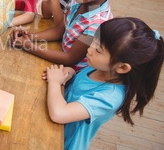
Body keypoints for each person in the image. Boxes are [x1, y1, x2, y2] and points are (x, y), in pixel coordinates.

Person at [42, 17, 164, 150]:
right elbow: (79, 80)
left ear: (122, 67)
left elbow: (59, 114)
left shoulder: (110, 97)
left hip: (62, 141)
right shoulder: (99, 66)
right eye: (94, 41)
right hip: (50, 118)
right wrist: (69, 73)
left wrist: (54, 82)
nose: (90, 49)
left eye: (98, 50)